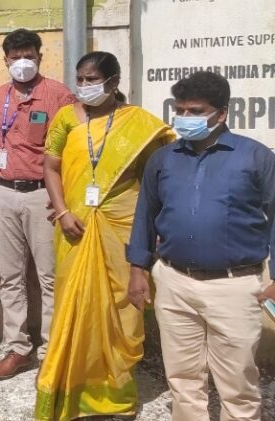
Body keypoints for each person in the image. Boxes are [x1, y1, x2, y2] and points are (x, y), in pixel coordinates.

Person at [126, 71, 275, 421]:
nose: (185, 118)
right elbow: (145, 214)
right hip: (174, 282)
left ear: (221, 113)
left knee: (237, 383)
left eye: (195, 111)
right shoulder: (163, 159)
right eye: (180, 110)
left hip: (235, 286)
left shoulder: (255, 157)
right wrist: (138, 269)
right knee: (182, 378)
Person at [34, 51, 173, 421]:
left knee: (123, 310)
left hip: (123, 227)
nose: (84, 86)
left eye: (92, 79)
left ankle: (116, 394)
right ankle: (74, 389)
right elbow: (50, 166)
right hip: (73, 226)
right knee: (74, 304)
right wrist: (62, 210)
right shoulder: (66, 117)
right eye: (80, 78)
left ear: (113, 82)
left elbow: (154, 179)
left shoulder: (138, 124)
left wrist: (155, 227)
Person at [0, 29, 75, 380]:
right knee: (9, 275)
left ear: (39, 56)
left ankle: (52, 350)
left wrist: (64, 200)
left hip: (43, 195)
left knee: (50, 276)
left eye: (28, 55)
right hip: (2, 192)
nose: (22, 62)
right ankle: (18, 348)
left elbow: (72, 151)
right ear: (4, 60)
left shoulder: (60, 96)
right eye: (15, 56)